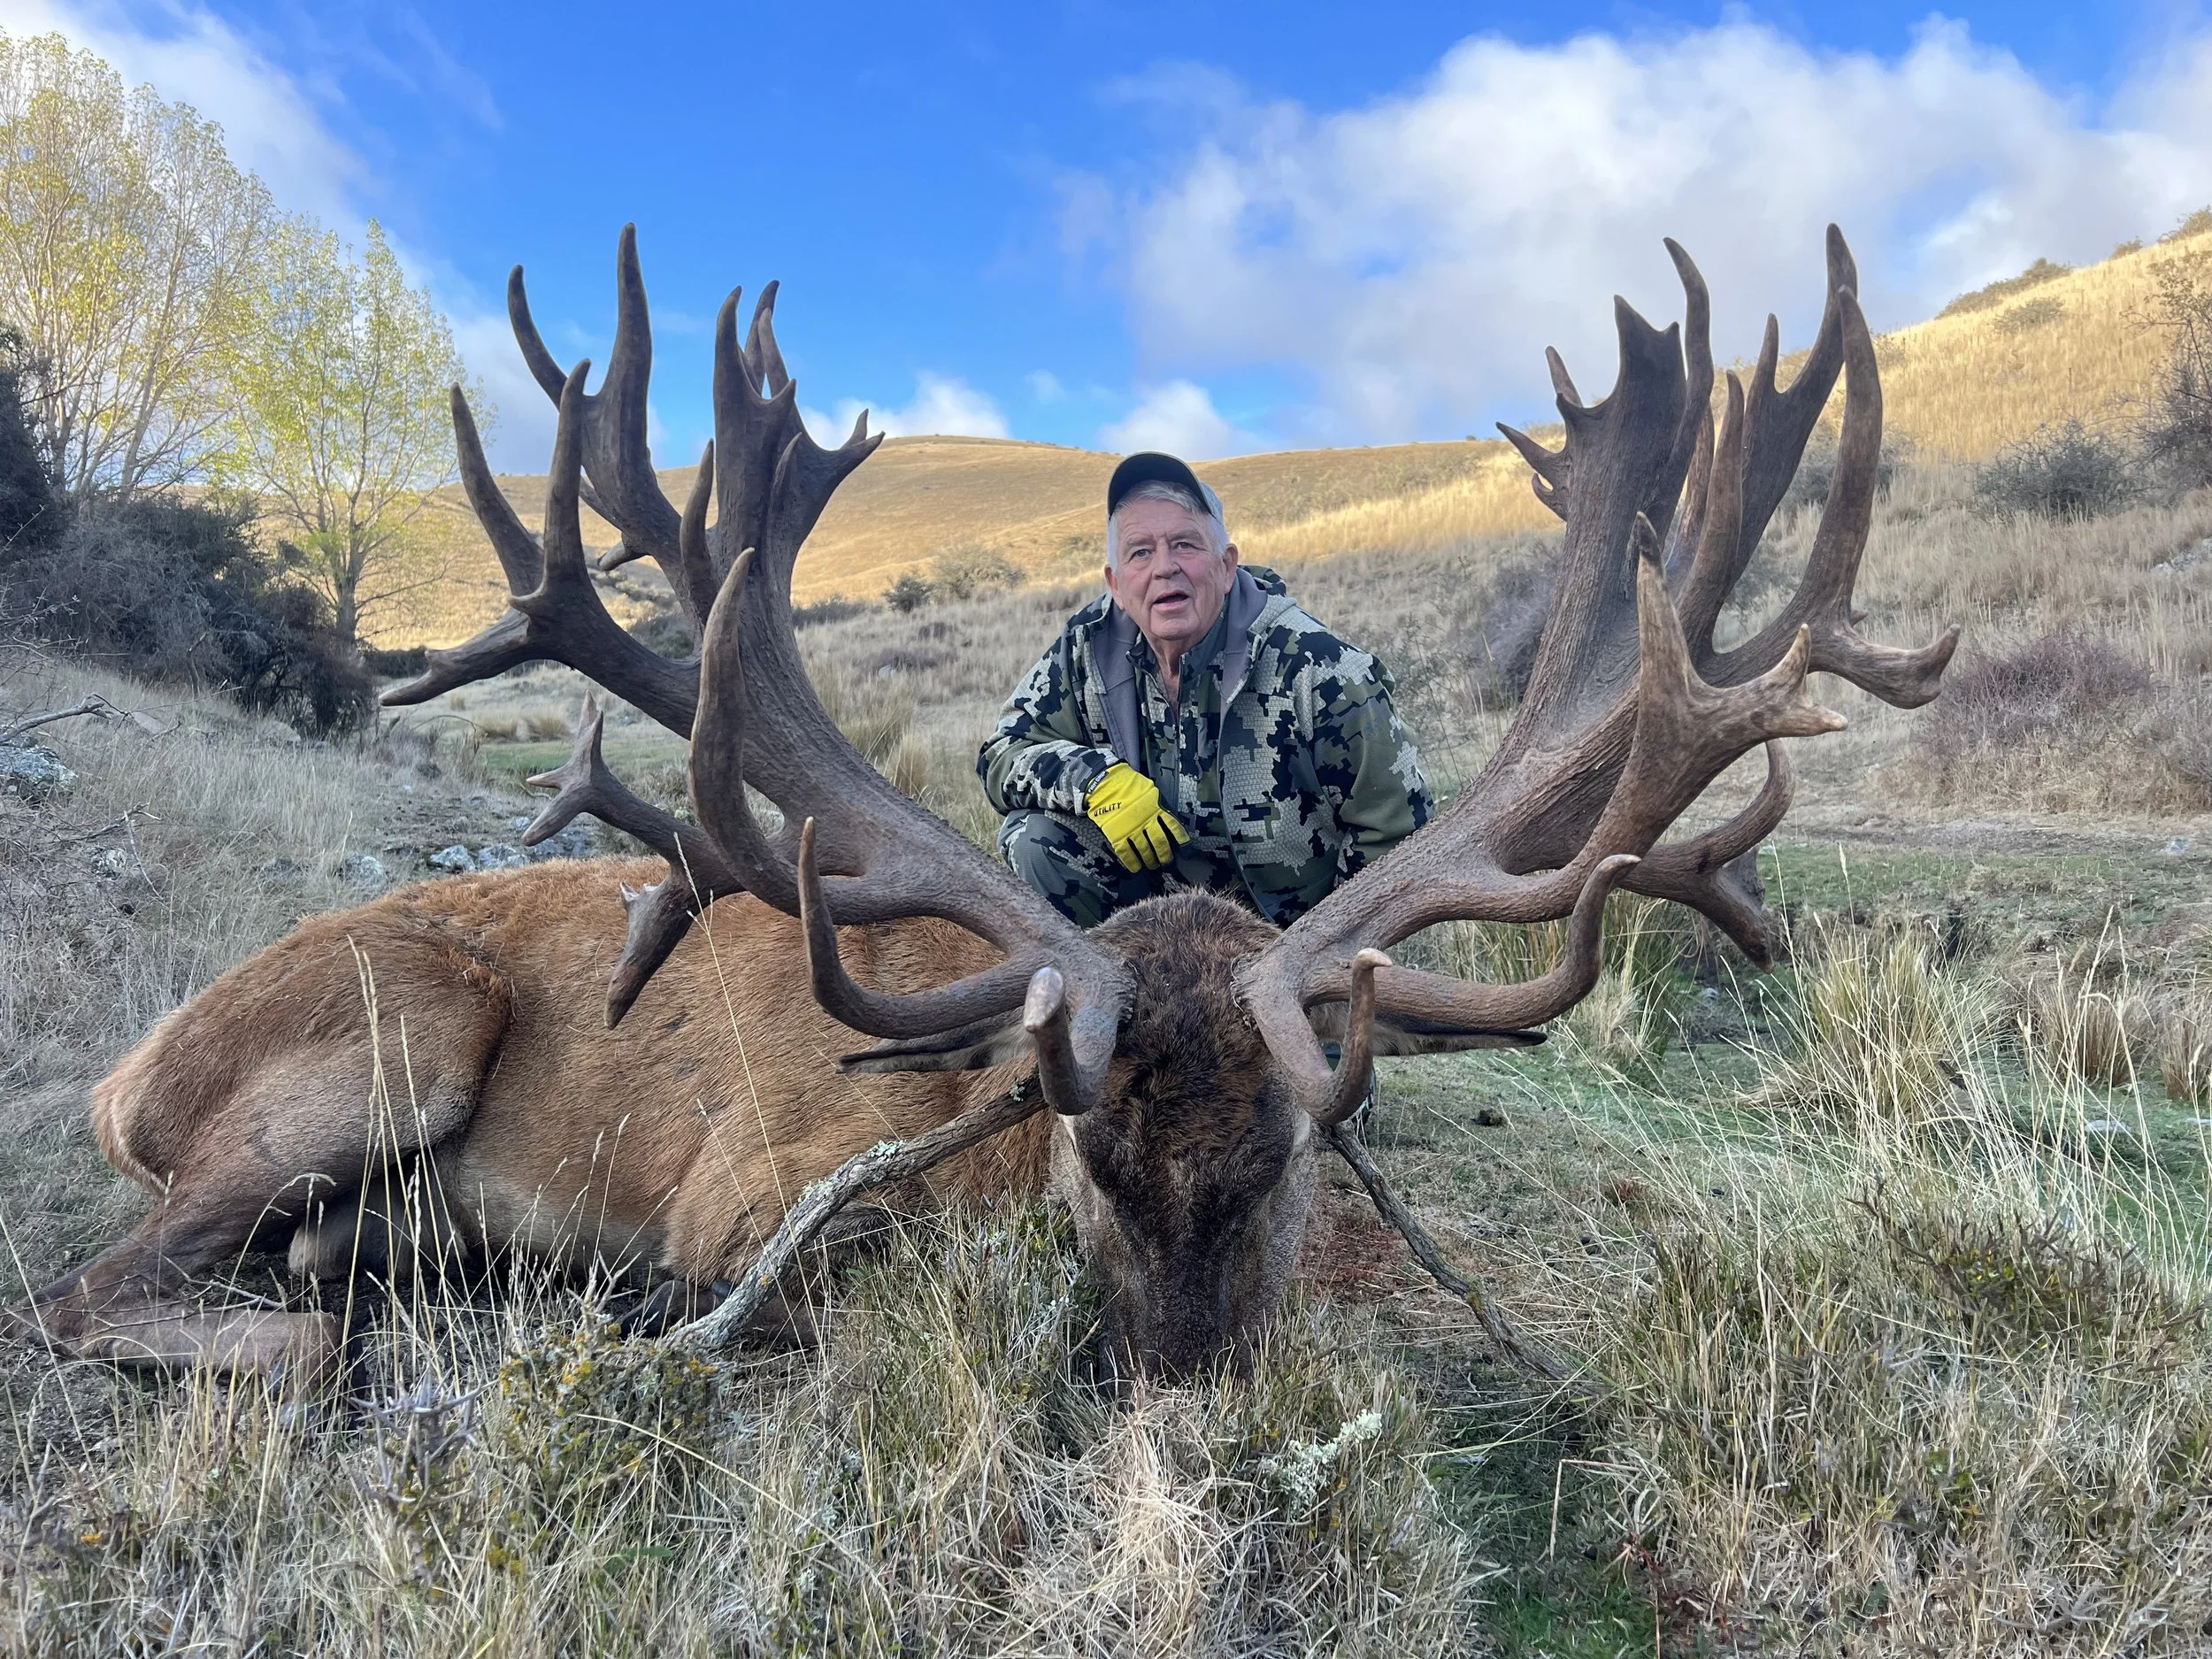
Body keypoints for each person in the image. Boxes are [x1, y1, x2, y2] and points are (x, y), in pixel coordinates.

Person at [977, 450, 1433, 933]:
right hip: (1151, 934)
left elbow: (1398, 834)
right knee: (1033, 836)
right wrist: (1094, 781)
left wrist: (1324, 957)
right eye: (1140, 552)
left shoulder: (1323, 670)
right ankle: (1111, 992)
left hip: (1293, 940)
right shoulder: (1085, 649)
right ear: (1115, 584)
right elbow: (1001, 755)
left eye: (1185, 545)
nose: (1164, 568)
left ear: (1227, 564)